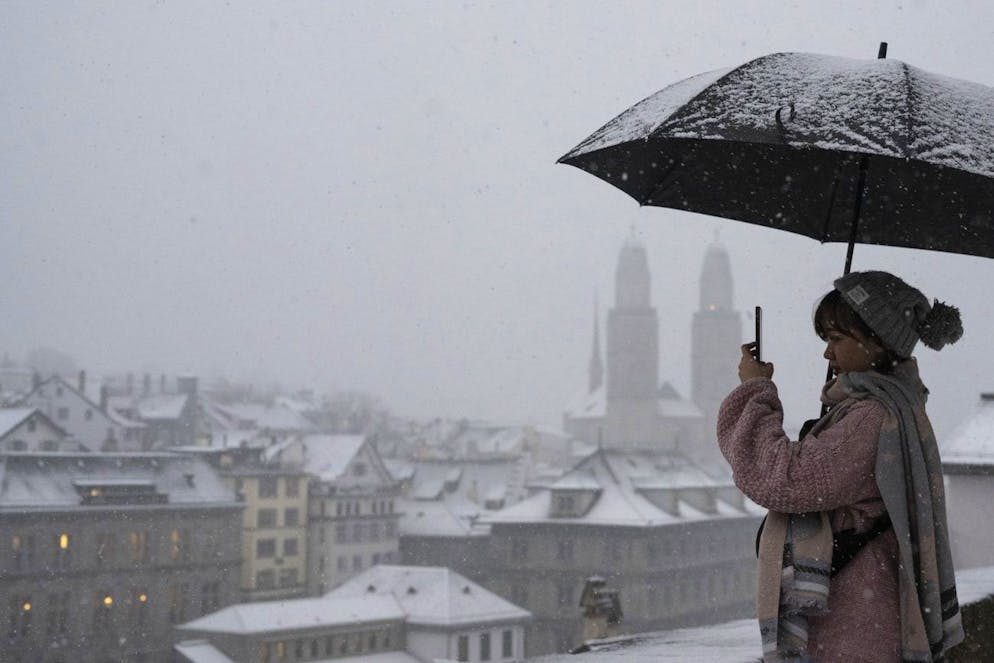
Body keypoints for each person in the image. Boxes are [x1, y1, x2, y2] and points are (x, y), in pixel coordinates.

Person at [717, 271, 965, 663]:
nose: (827, 354)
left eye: (836, 339)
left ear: (878, 342)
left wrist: (755, 392)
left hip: (853, 621)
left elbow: (786, 480)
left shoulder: (870, 416)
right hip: (870, 612)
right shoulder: (895, 404)